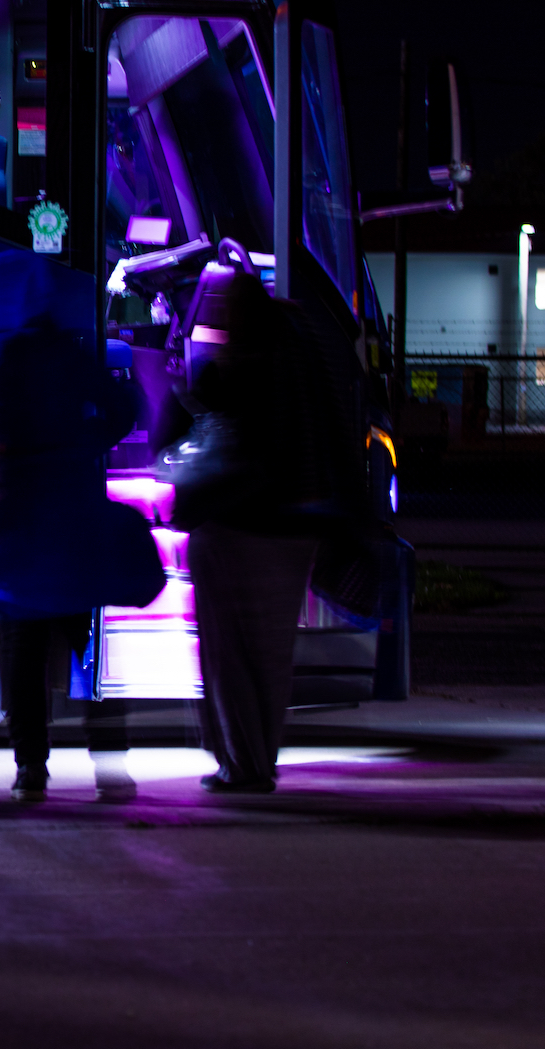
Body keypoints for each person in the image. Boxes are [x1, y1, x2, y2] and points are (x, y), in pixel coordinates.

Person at [0, 254, 142, 803]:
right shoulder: (74, 357)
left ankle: (31, 769)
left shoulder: (10, 357)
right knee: (87, 645)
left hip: (23, 511)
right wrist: (87, 442)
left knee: (25, 650)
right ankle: (110, 765)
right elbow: (123, 409)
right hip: (71, 508)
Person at [183, 268, 360, 793]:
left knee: (228, 655)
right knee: (270, 658)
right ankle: (262, 759)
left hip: (236, 531)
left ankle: (242, 766)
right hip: (295, 530)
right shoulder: (300, 351)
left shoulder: (233, 372)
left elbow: (193, 421)